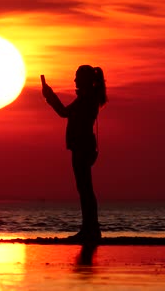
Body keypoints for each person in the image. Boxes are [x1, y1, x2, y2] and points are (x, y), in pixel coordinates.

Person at [42, 65, 107, 242]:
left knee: (85, 189)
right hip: (81, 146)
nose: (75, 80)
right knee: (84, 189)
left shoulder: (87, 99)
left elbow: (65, 113)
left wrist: (49, 96)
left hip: (82, 146)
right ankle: (90, 228)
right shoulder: (86, 98)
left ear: (85, 79)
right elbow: (65, 113)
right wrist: (50, 96)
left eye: (77, 77)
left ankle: (91, 229)